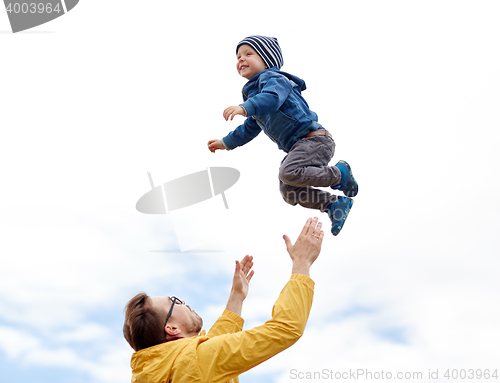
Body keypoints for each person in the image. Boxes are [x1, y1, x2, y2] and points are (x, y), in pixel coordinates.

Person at [123, 217, 324, 383]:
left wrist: (236, 297)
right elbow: (286, 328)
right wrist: (301, 263)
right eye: (174, 301)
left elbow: (210, 349)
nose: (183, 302)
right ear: (172, 329)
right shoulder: (197, 360)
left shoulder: (158, 370)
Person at [207, 35, 359, 236]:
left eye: (248, 54)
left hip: (314, 140)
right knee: (289, 191)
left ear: (267, 60)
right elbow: (250, 128)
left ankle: (340, 174)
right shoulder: (256, 97)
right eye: (238, 57)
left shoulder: (274, 79)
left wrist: (244, 108)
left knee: (288, 172)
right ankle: (334, 204)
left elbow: (271, 99)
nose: (241, 59)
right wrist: (226, 142)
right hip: (300, 147)